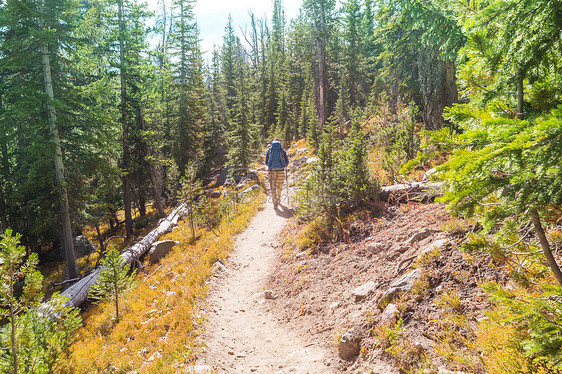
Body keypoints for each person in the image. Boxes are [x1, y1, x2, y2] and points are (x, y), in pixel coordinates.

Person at [265, 138, 289, 209]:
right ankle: (278, 200)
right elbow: (287, 161)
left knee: (273, 187)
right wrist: (284, 166)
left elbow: (266, 162)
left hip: (271, 171)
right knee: (279, 186)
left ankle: (274, 202)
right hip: (281, 171)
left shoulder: (269, 150)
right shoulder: (282, 150)